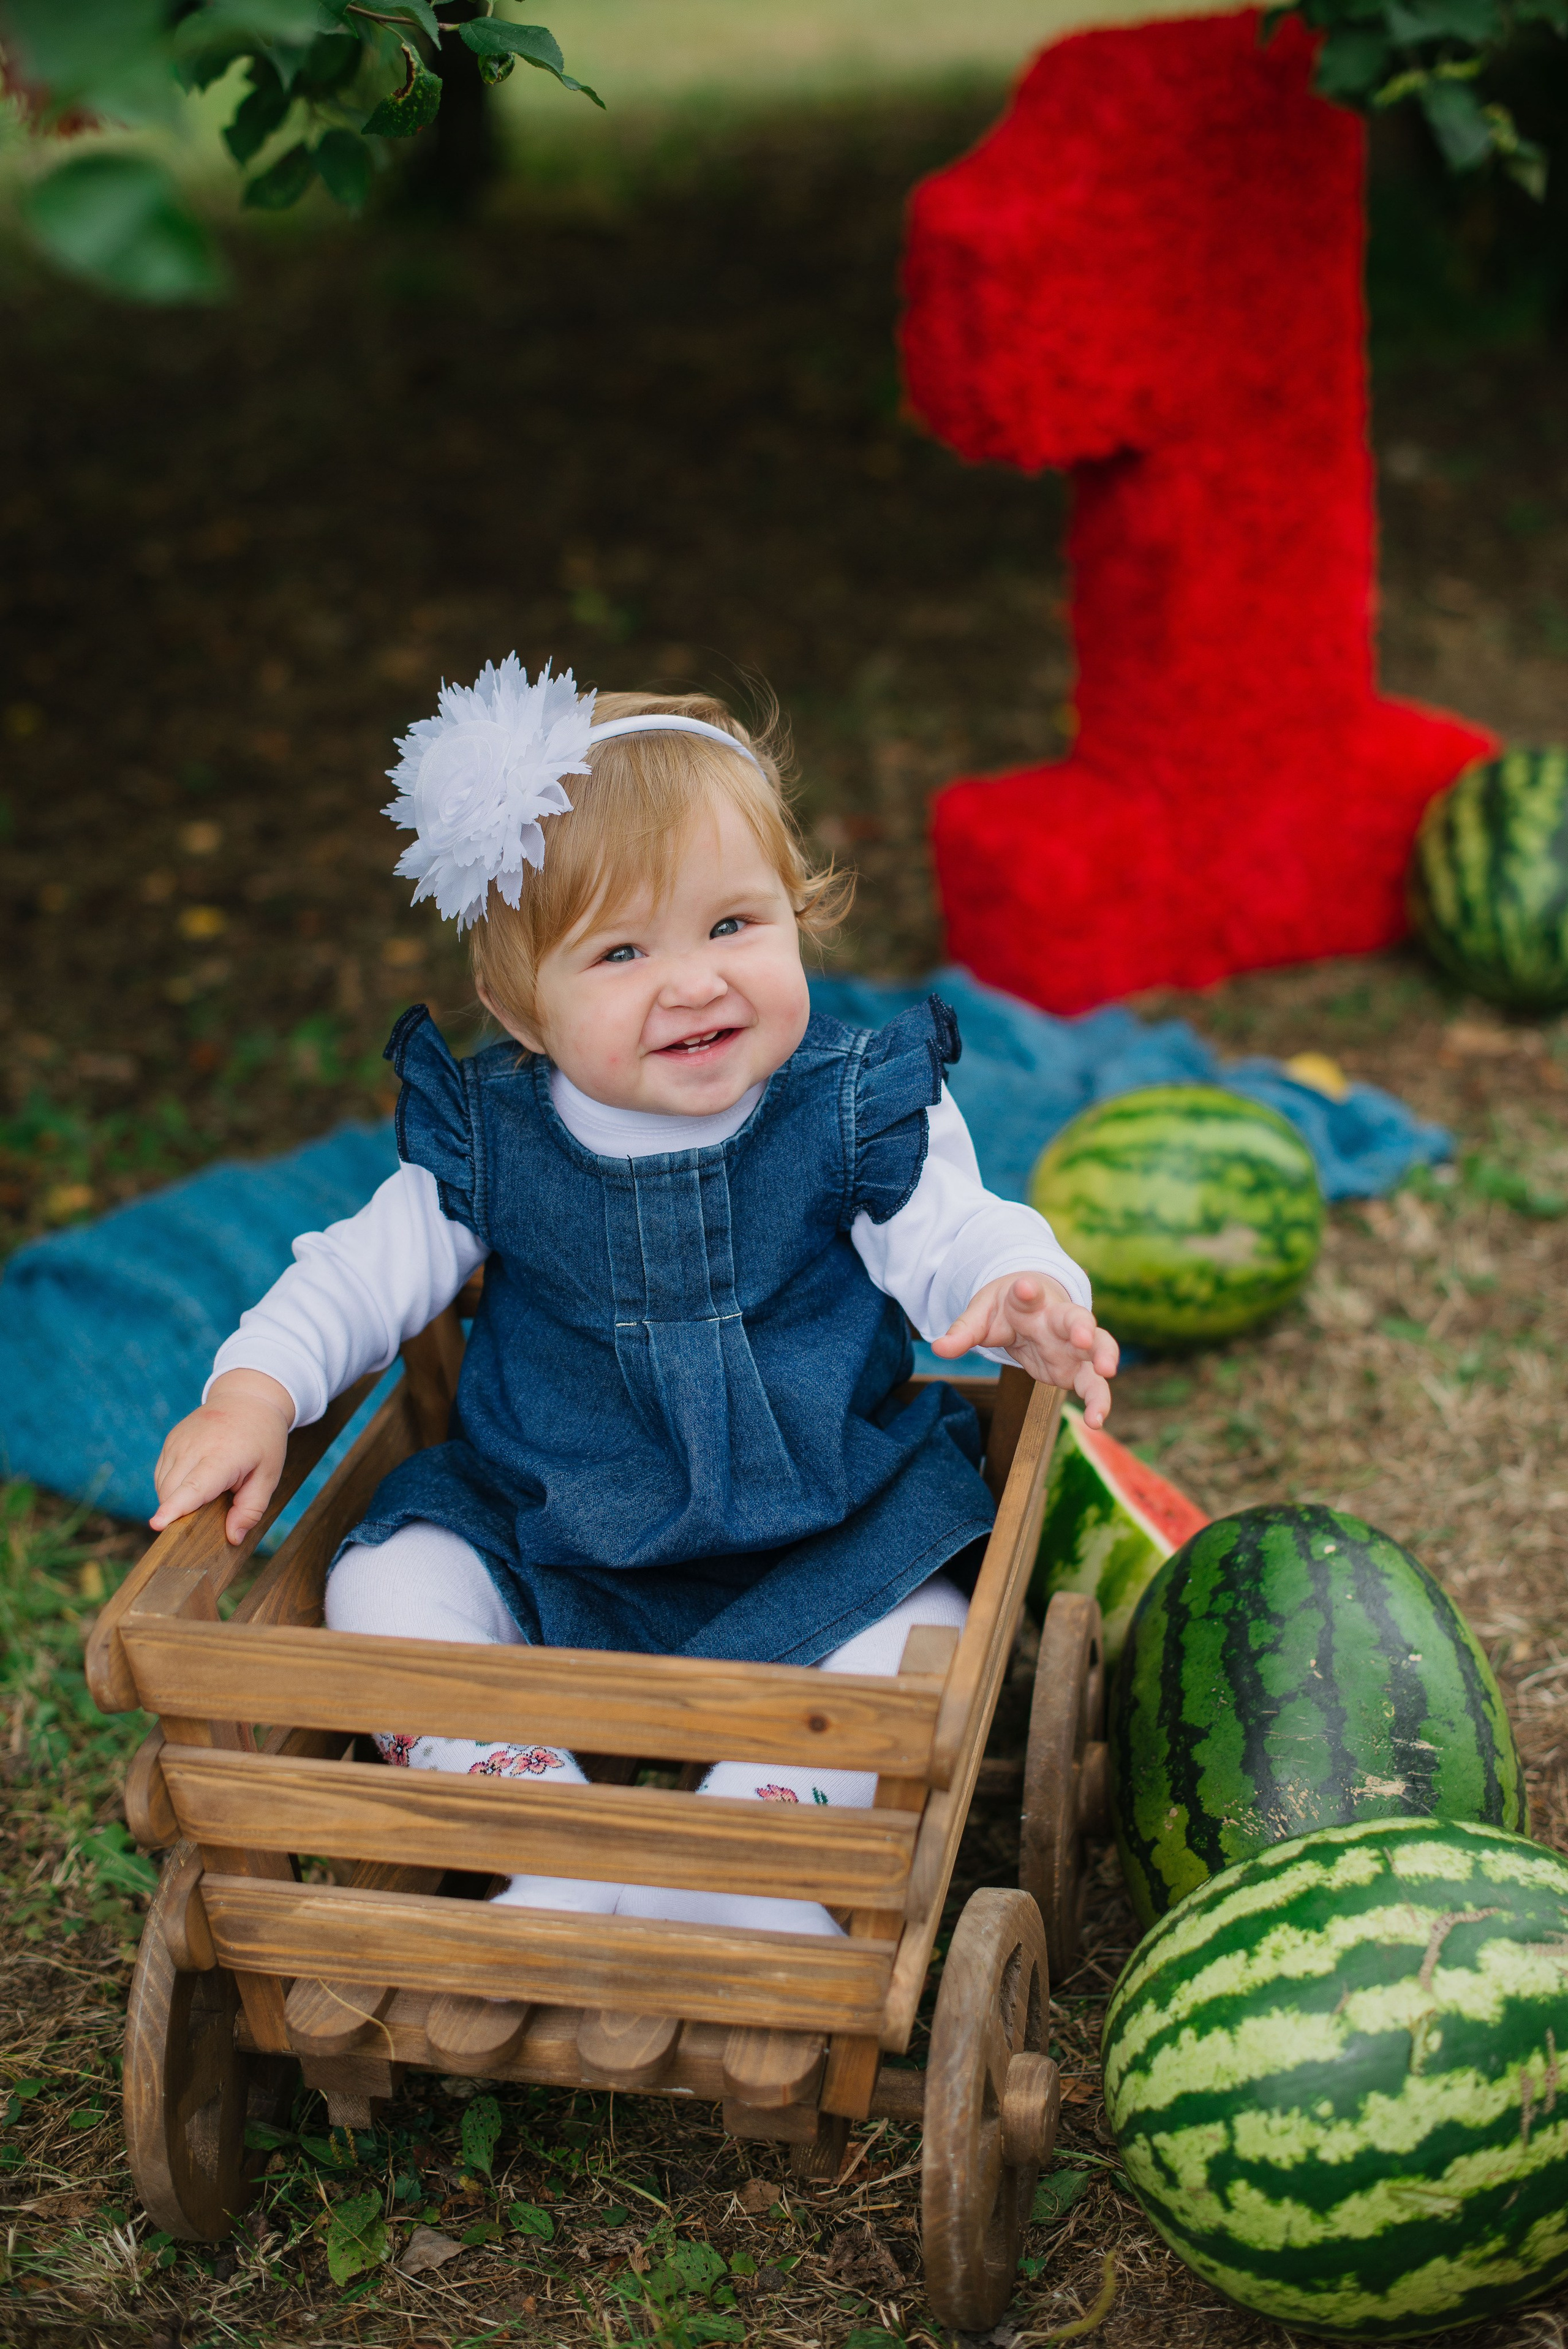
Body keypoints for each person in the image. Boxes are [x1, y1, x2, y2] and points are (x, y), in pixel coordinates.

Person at [151, 660, 1118, 1936]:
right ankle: (540, 1829)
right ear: (520, 1008)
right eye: (620, 951)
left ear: (796, 915)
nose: (695, 982)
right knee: (384, 1583)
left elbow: (955, 1228)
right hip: (556, 1532)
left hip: (825, 1529)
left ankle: (753, 1842)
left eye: (733, 925)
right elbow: (354, 1273)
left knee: (921, 1628)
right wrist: (257, 1389)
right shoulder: (493, 1142)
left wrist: (1019, 1285)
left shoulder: (851, 1108)